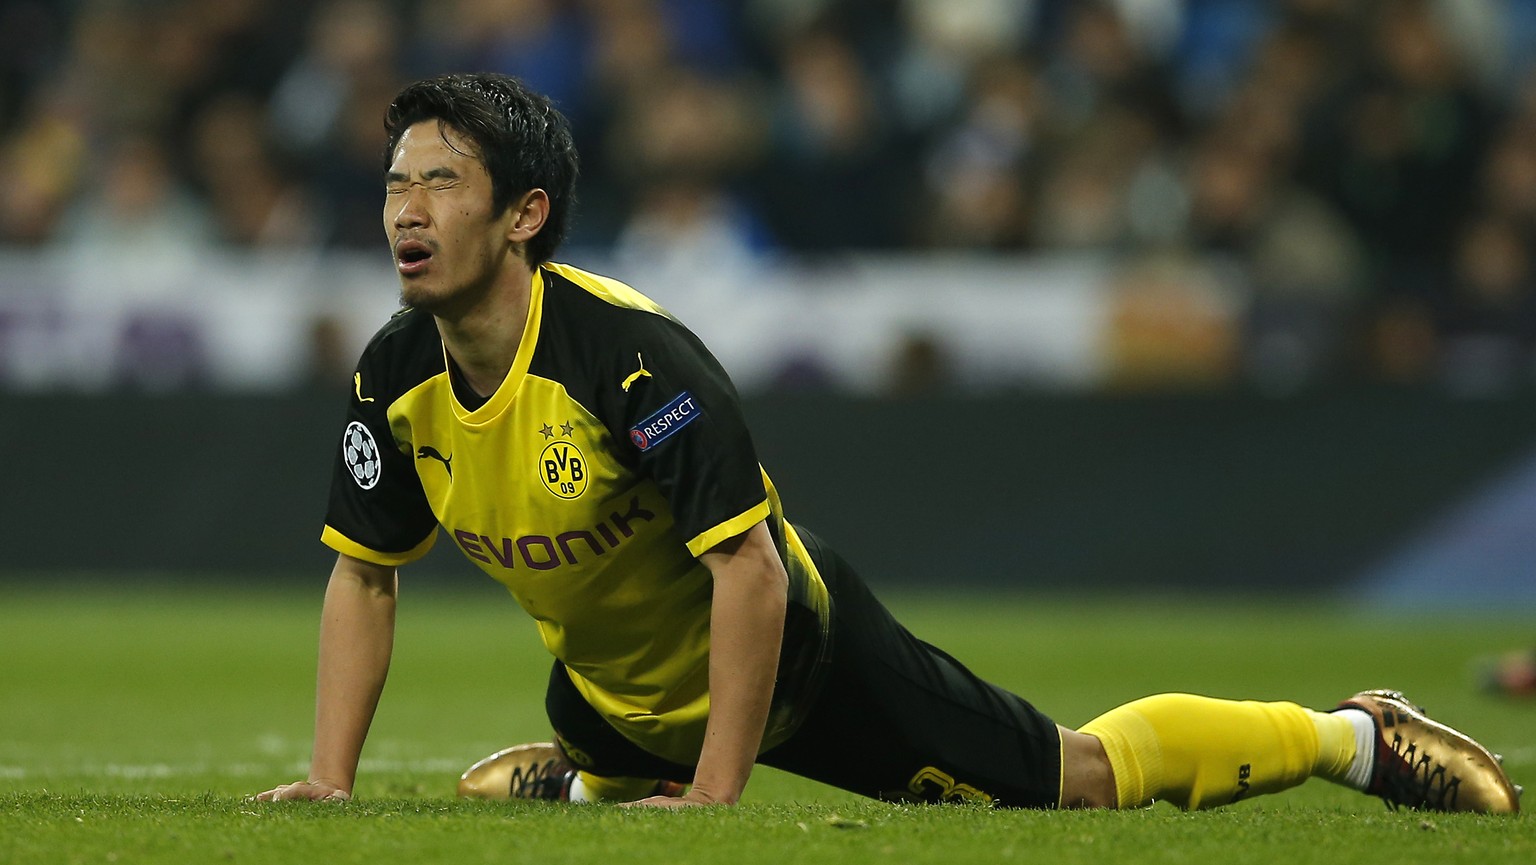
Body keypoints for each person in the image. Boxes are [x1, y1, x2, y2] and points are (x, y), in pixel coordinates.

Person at [255, 72, 1521, 814]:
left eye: (440, 185)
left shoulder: (630, 360)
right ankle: (586, 769)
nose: (405, 213)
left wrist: (716, 793)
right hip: (610, 687)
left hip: (799, 662)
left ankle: (1353, 733)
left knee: (1070, 779)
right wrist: (328, 781)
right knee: (602, 735)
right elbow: (366, 571)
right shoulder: (394, 374)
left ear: (525, 214)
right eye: (393, 185)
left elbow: (744, 570)